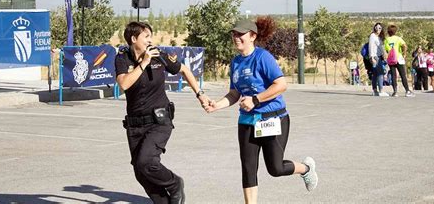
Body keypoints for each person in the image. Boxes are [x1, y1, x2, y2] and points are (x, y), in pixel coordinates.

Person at [205, 17, 318, 204]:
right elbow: (234, 93)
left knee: (275, 168)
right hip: (247, 122)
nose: (236, 37)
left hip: (273, 119)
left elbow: (281, 85)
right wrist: (217, 105)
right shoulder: (235, 63)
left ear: (252, 36)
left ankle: (306, 168)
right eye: (234, 33)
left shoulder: (262, 57)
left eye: (240, 34)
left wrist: (256, 99)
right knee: (248, 168)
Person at [115, 21, 209, 204]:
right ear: (133, 39)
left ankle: (174, 183)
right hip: (135, 125)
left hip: (159, 121)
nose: (151, 41)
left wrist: (200, 94)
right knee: (140, 173)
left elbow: (184, 70)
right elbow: (124, 83)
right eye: (146, 37)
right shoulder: (123, 58)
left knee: (146, 162)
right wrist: (144, 63)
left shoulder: (159, 56)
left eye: (151, 36)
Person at [383, 24, 414, 97]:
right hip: (399, 58)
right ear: (395, 31)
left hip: (391, 59)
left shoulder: (386, 40)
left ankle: (395, 91)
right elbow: (404, 46)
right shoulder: (398, 38)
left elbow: (387, 49)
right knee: (403, 75)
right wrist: (404, 53)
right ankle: (407, 91)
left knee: (393, 75)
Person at [368, 23, 389, 96]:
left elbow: (381, 47)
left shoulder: (379, 37)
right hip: (375, 57)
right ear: (374, 28)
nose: (378, 29)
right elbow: (370, 47)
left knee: (376, 74)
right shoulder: (372, 36)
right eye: (376, 27)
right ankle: (381, 90)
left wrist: (385, 54)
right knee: (380, 73)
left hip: (379, 57)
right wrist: (371, 57)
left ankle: (375, 90)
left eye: (380, 28)